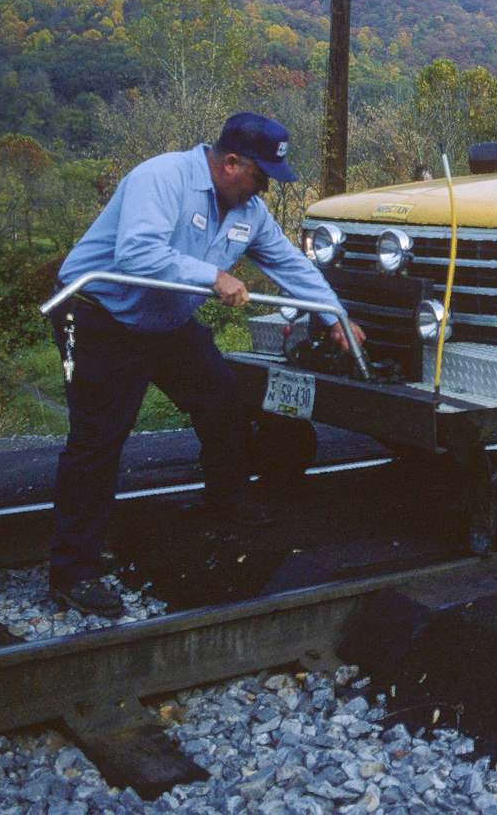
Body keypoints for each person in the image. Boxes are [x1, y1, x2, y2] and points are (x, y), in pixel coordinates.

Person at [48, 112, 364, 617]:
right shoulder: (163, 177)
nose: (262, 191)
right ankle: (72, 571)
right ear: (231, 162)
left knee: (221, 396)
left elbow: (289, 265)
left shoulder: (249, 212)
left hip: (166, 322)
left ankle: (227, 499)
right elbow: (136, 254)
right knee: (98, 439)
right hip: (101, 315)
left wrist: (335, 317)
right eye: (259, 178)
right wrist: (213, 276)